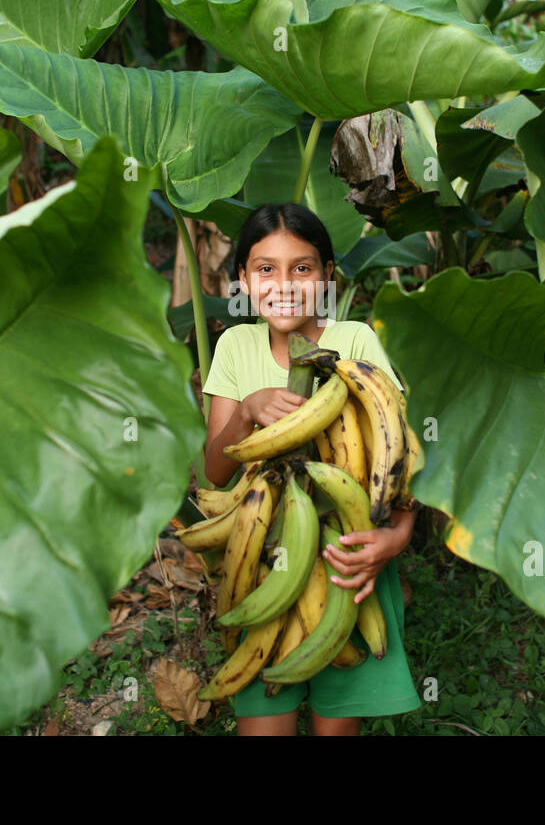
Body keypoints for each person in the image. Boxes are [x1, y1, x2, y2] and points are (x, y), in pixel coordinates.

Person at [200, 202, 422, 736]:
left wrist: (398, 538)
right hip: (260, 555)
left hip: (345, 557)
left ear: (326, 276)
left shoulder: (356, 342)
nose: (285, 284)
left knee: (336, 719)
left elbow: (397, 449)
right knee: (265, 716)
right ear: (242, 280)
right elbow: (215, 471)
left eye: (302, 268)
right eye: (265, 269)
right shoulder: (236, 345)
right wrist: (249, 411)